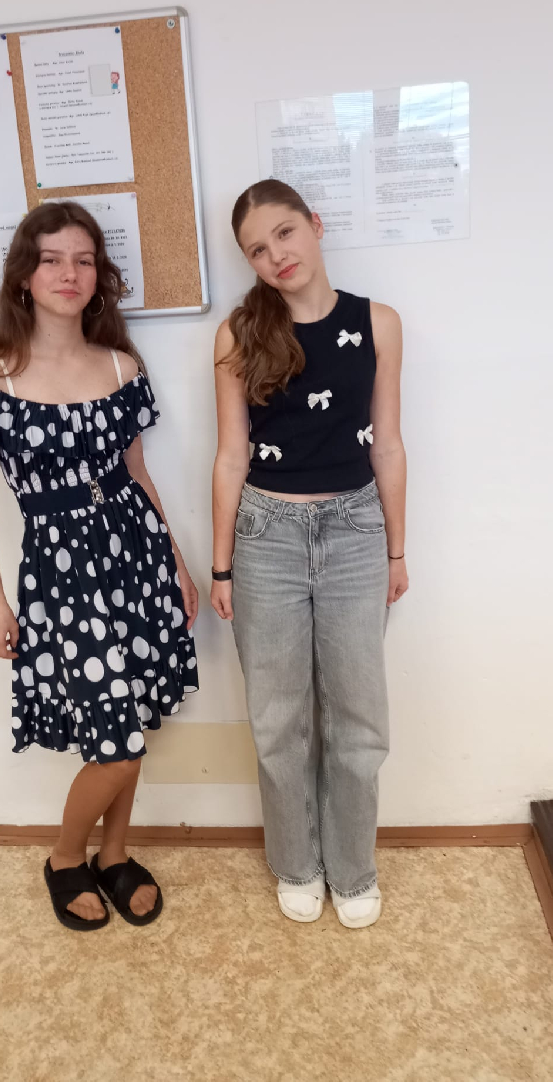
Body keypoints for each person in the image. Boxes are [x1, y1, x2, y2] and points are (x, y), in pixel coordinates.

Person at [0, 201, 199, 931]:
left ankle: (114, 854)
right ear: (24, 276)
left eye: (83, 260)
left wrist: (176, 564)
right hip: (61, 574)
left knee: (133, 718)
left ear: (99, 274)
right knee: (114, 744)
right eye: (52, 259)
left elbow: (139, 475)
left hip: (136, 555)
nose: (69, 273)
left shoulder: (122, 366)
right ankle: (66, 857)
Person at [211, 180, 407, 928]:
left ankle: (353, 869)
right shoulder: (238, 335)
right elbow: (231, 456)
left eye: (285, 233)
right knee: (278, 718)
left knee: (359, 715)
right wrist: (223, 565)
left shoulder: (378, 322)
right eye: (258, 249)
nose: (277, 255)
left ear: (316, 226)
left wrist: (396, 549)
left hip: (357, 529)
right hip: (266, 536)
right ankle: (297, 863)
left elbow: (387, 443)